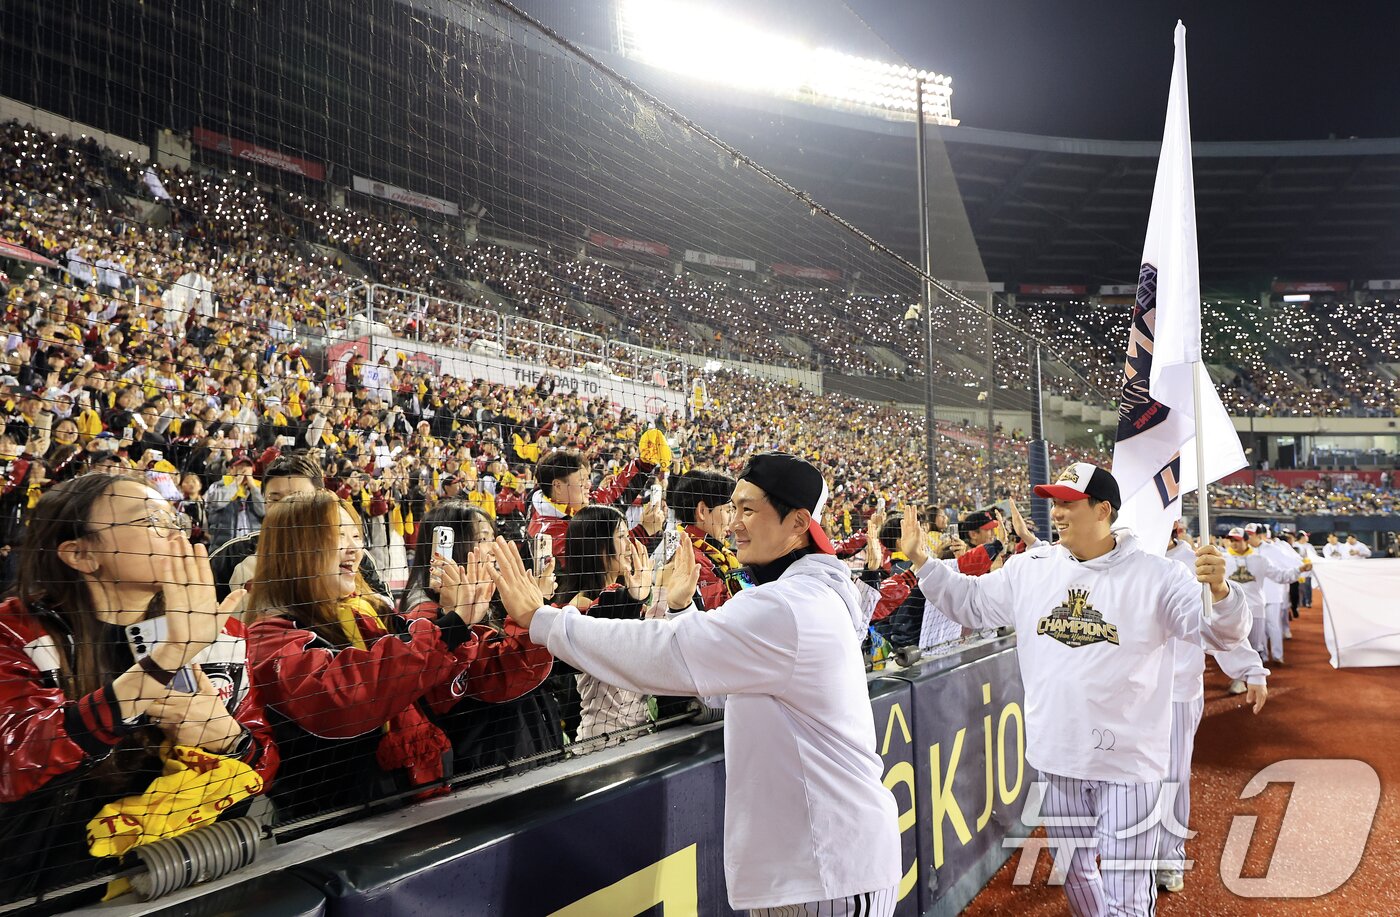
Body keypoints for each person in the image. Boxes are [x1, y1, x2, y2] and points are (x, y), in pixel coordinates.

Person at [489, 452, 900, 915]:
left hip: (825, 868)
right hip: (818, 862)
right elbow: (721, 687)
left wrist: (542, 620)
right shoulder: (801, 595)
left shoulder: (788, 606)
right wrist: (685, 610)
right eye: (733, 507)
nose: (736, 521)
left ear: (798, 523)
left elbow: (667, 653)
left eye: (748, 509)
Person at [901, 462, 1251, 917]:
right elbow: (970, 602)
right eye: (1054, 503)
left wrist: (1221, 592)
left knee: (1127, 886)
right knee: (1077, 871)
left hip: (1128, 760)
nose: (1057, 512)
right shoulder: (1031, 567)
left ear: (1103, 509)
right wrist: (922, 561)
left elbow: (1224, 634)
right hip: (1057, 754)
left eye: (1068, 503)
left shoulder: (1158, 575)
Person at [0, 474, 277, 900]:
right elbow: (15, 762)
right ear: (81, 554)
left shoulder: (225, 632)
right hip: (50, 891)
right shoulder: (17, 631)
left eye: (175, 519)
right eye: (150, 520)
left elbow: (264, 764)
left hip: (190, 873)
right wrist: (165, 659)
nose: (175, 532)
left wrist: (232, 742)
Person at [243, 492, 494, 820]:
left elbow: (433, 694)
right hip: (333, 824)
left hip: (409, 800)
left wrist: (456, 627)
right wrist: (450, 627)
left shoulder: (369, 611)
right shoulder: (270, 632)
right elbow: (346, 695)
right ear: (297, 547)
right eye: (338, 535)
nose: (354, 548)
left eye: (357, 536)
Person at [397, 501, 557, 775]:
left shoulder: (488, 595)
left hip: (514, 746)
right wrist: (534, 615)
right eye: (482, 539)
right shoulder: (426, 615)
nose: (494, 546)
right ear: (455, 547)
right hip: (483, 758)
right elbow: (499, 677)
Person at [1156, 528, 1270, 894]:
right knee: (1127, 781)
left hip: (1177, 689)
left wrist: (1250, 667)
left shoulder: (1196, 561)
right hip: (1127, 694)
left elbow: (1219, 626)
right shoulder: (1122, 557)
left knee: (1171, 777)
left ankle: (1168, 858)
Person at [210, 452, 386, 599]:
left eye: (298, 498)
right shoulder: (234, 555)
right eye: (275, 499)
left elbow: (386, 607)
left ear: (321, 498)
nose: (286, 508)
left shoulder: (352, 554)